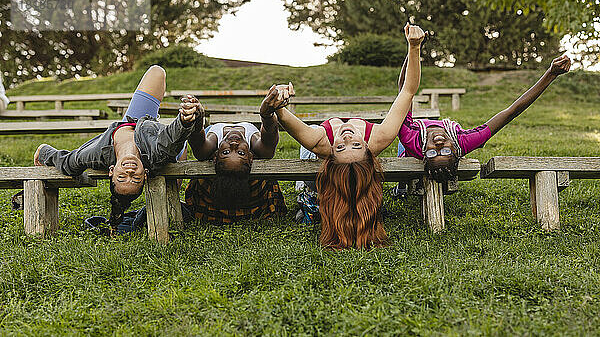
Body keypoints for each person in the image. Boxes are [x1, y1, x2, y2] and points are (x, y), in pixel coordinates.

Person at [270, 23, 426, 249]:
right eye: (355, 145)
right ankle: (314, 194)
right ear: (369, 151)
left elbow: (281, 115)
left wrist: (279, 100)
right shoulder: (379, 138)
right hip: (330, 159)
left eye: (341, 147)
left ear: (331, 154)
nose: (345, 138)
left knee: (310, 149)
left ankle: (312, 196)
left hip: (314, 153)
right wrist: (414, 47)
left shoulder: (319, 144)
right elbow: (408, 91)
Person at [34, 65, 203, 228]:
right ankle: (170, 205)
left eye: (121, 177)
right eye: (135, 179)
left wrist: (43, 152)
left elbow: (68, 163)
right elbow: (171, 138)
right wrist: (184, 119)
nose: (129, 173)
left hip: (131, 121)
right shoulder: (157, 153)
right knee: (174, 159)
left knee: (156, 72)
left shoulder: (97, 154)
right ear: (145, 174)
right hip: (168, 143)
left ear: (111, 170)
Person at [394, 54, 572, 186]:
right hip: (431, 135)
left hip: (410, 145)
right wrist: (551, 74)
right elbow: (511, 112)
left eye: (433, 153)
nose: (439, 146)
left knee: (401, 139)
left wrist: (413, 49)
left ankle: (403, 184)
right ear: (457, 151)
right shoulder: (463, 141)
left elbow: (404, 91)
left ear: (424, 152)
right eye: (446, 153)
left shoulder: (411, 138)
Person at [182, 84, 290, 223]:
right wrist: (267, 114)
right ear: (251, 157)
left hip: (208, 130)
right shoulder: (257, 147)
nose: (234, 144)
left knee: (201, 151)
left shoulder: (209, 147)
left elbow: (197, 139)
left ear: (215, 156)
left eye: (226, 152)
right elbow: (270, 135)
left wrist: (197, 119)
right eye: (240, 152)